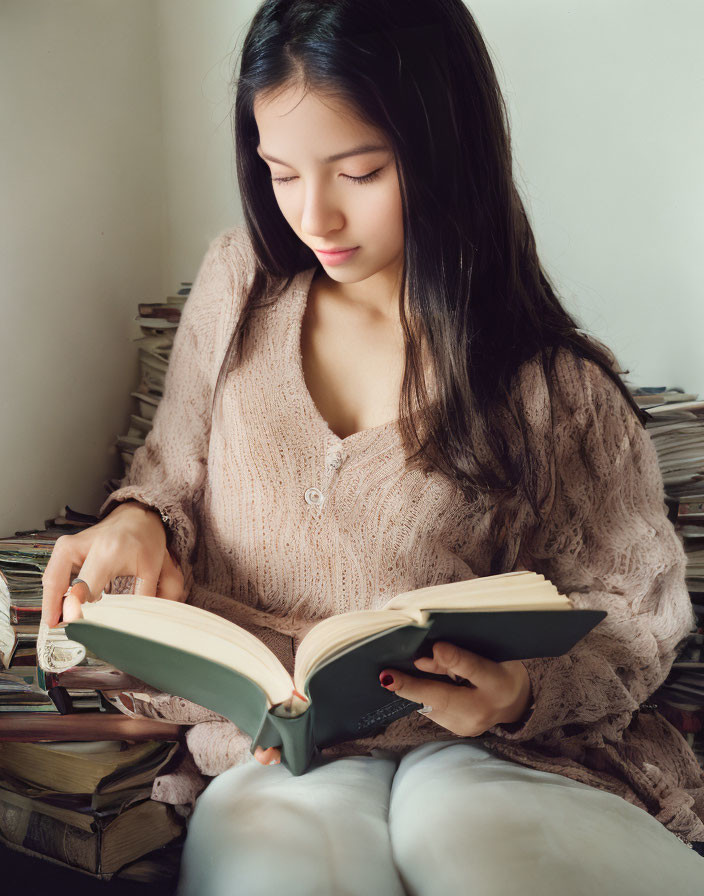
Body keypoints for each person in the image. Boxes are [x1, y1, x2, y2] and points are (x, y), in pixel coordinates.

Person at [40, 1, 704, 893]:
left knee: (479, 843)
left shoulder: (548, 382)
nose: (315, 215)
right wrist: (135, 517)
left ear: (445, 148)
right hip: (276, 751)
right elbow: (170, 475)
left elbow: (639, 607)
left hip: (494, 751)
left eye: (361, 171)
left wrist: (520, 694)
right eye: (280, 172)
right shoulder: (238, 292)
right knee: (280, 870)